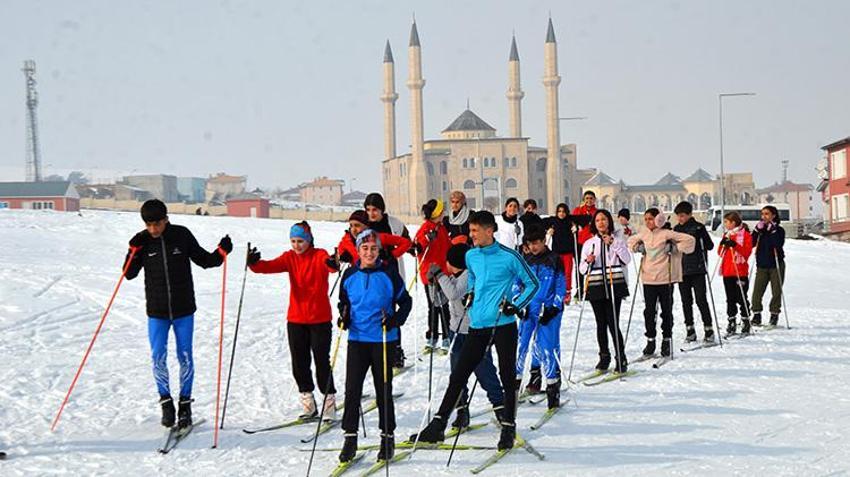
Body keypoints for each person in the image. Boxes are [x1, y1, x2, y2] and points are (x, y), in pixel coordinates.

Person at [410, 210, 539, 451]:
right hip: (476, 325)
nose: (471, 235)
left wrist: (515, 305)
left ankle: (508, 427)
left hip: (503, 324)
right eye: (470, 230)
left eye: (474, 231)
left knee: (507, 376)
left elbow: (533, 283)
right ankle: (438, 425)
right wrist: (469, 293)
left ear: (489, 231)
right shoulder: (471, 256)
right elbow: (473, 282)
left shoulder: (509, 256)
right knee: (458, 374)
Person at [123, 199, 232, 429]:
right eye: (148, 225)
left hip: (183, 309)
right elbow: (128, 274)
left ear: (166, 219)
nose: (153, 229)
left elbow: (205, 260)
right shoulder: (142, 242)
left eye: (157, 224)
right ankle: (166, 402)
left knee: (185, 356)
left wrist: (221, 252)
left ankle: (185, 404)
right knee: (158, 357)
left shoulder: (181, 235)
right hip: (156, 311)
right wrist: (132, 251)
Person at [247, 221, 339, 419]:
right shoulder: (289, 258)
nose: (296, 245)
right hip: (296, 319)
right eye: (293, 241)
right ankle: (307, 398)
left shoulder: (319, 254)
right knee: (299, 360)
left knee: (321, 360)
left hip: (320, 319)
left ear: (309, 240)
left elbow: (331, 266)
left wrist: (333, 263)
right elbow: (268, 267)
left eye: (300, 241)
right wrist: (253, 263)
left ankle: (329, 399)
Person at [337, 229, 412, 463]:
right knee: (352, 391)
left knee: (383, 391)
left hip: (382, 340)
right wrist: (344, 316)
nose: (369, 253)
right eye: (364, 248)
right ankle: (350, 438)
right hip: (357, 340)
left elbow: (406, 303)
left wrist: (395, 320)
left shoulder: (389, 274)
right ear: (358, 250)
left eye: (373, 248)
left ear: (379, 250)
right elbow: (344, 303)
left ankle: (387, 437)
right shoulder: (349, 276)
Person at [427, 243, 505, 428]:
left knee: (485, 372)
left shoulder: (469, 275)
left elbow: (454, 294)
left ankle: (502, 409)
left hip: (475, 333)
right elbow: (439, 301)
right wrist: (433, 284)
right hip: (457, 333)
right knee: (457, 376)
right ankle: (462, 411)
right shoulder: (454, 277)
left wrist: (440, 275)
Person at [627, 208, 695, 358]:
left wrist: (675, 247)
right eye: (646, 219)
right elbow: (630, 241)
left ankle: (666, 339)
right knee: (649, 312)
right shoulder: (644, 233)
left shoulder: (666, 234)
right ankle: (650, 340)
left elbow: (690, 241)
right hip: (648, 279)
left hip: (666, 279)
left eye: (651, 219)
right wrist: (638, 247)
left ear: (659, 219)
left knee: (666, 311)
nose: (648, 222)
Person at [516, 224, 566, 409]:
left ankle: (553, 387)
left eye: (537, 243)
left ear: (544, 241)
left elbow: (561, 286)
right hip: (529, 308)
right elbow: (517, 284)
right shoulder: (526, 260)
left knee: (547, 347)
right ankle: (515, 385)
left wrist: (554, 307)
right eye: (530, 243)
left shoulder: (555, 259)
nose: (534, 247)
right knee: (521, 346)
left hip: (549, 309)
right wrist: (519, 304)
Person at [580, 209, 631, 373]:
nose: (601, 223)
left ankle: (621, 357)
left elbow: (626, 259)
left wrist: (613, 243)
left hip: (614, 283)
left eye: (603, 219)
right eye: (597, 220)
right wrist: (588, 262)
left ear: (609, 221)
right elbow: (581, 269)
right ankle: (604, 356)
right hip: (596, 285)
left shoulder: (617, 240)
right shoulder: (589, 243)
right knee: (600, 323)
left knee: (613, 322)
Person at [363, 192, 411, 369]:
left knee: (391, 313)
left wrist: (392, 254)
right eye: (368, 210)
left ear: (382, 209)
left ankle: (396, 350)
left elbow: (407, 241)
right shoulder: (365, 225)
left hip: (392, 273)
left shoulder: (394, 223)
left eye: (374, 209)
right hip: (369, 277)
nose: (371, 213)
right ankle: (373, 352)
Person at [673, 201, 716, 343]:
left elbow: (709, 245)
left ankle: (708, 329)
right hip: (682, 270)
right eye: (678, 216)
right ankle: (690, 329)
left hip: (697, 269)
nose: (680, 219)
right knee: (686, 301)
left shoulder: (699, 227)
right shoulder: (676, 229)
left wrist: (701, 237)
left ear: (690, 214)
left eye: (683, 216)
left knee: (701, 300)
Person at [414, 199, 452, 351]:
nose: (443, 214)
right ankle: (432, 336)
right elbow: (416, 247)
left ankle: (447, 336)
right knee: (433, 307)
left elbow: (448, 247)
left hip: (443, 273)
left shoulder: (441, 228)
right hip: (430, 275)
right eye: (441, 211)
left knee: (444, 305)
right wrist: (427, 239)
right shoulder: (426, 228)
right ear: (436, 213)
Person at [335, 210, 412, 269]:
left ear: (366, 226)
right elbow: (340, 249)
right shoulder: (346, 240)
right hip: (358, 280)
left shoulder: (379, 238)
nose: (353, 229)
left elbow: (406, 243)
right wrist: (343, 255)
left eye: (357, 225)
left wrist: (391, 254)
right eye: (351, 225)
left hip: (379, 278)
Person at [717, 212, 754, 335]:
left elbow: (746, 252)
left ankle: (745, 319)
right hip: (728, 271)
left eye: (727, 222)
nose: (725, 224)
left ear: (733, 222)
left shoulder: (746, 235)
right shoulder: (727, 234)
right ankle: (731, 320)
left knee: (741, 297)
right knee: (730, 298)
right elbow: (720, 253)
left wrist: (735, 245)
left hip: (740, 271)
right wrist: (723, 243)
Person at [750, 205, 786, 327]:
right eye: (762, 214)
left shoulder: (779, 230)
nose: (763, 216)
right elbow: (751, 243)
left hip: (776, 264)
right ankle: (756, 314)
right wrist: (756, 231)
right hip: (762, 265)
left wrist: (773, 231)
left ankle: (774, 314)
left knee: (776, 291)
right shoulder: (760, 231)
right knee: (757, 291)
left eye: (766, 214)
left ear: (773, 216)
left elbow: (778, 244)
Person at [546, 203, 578, 305]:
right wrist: (548, 232)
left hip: (567, 252)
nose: (561, 213)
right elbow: (541, 225)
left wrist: (575, 230)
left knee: (567, 274)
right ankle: (556, 292)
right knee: (556, 273)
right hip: (556, 253)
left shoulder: (569, 222)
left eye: (563, 211)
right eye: (559, 211)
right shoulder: (553, 222)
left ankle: (567, 293)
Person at [572, 191, 598, 299]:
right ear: (584, 199)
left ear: (594, 200)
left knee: (593, 266)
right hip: (579, 242)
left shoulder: (596, 212)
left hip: (592, 243)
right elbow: (572, 222)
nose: (589, 200)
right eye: (587, 198)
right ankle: (579, 289)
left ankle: (592, 290)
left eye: (591, 198)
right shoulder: (578, 210)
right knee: (580, 266)